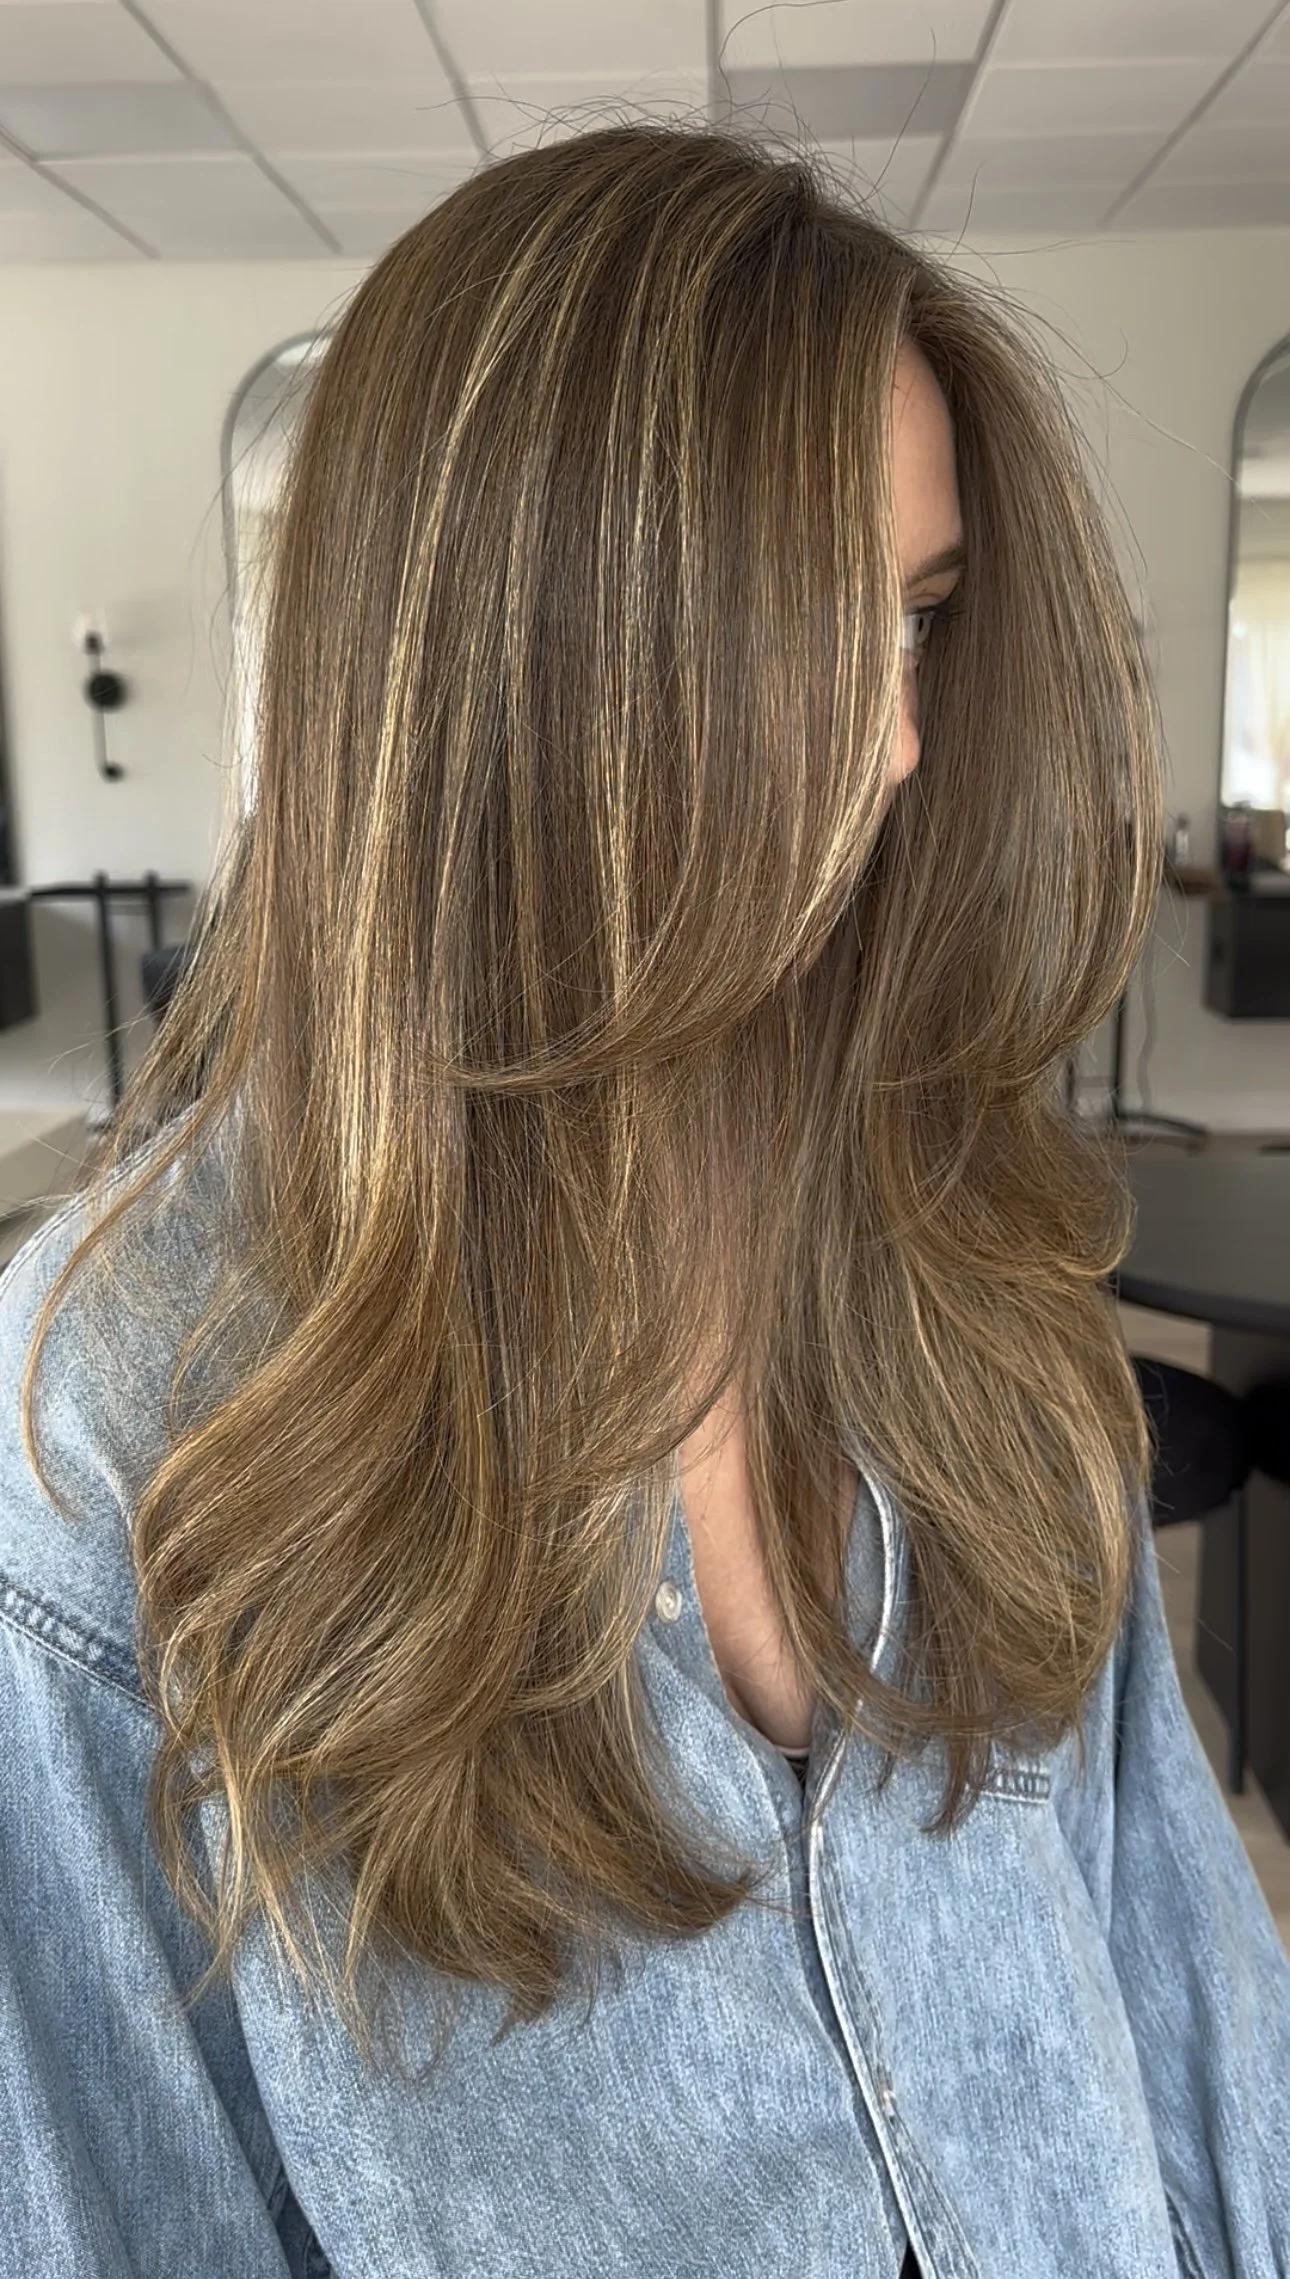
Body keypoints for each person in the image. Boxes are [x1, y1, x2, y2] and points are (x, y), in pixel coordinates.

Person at [0, 120, 1286, 2279]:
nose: (892, 746)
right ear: (518, 671)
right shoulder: (108, 1448)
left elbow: (1186, 1987)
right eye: (808, 630)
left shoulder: (960, 1242)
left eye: (921, 619)